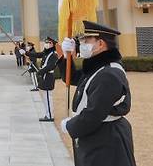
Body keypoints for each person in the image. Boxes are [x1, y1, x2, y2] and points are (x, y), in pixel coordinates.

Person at [58, 21, 136, 166]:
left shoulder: (109, 73)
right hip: (96, 136)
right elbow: (73, 78)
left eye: (86, 40)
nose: (82, 44)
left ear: (100, 44)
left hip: (106, 140)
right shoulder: (98, 67)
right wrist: (66, 56)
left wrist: (70, 125)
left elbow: (94, 114)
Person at [37, 37, 59, 122]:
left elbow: (50, 66)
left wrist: (40, 71)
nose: (46, 44)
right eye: (46, 42)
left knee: (47, 97)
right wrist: (26, 53)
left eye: (48, 42)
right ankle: (47, 114)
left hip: (48, 77)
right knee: (45, 97)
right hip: (45, 76)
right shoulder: (47, 53)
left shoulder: (53, 55)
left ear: (52, 44)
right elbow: (38, 55)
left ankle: (50, 115)